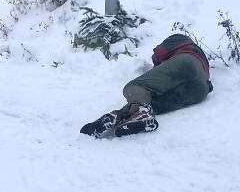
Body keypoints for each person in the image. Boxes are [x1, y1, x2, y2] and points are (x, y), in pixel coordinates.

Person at [80, 34, 213, 139]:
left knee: (135, 86)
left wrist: (156, 61)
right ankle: (121, 116)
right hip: (201, 86)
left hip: (185, 63)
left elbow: (159, 52)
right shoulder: (202, 58)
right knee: (154, 102)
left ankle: (140, 113)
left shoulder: (179, 39)